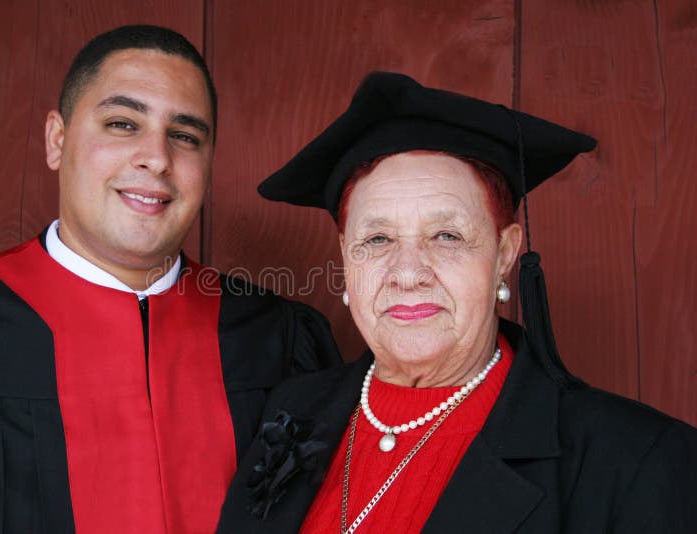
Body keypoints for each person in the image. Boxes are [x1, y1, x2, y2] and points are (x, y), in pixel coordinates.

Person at [0, 25, 339, 533]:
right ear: (57, 140)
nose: (157, 157)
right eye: (122, 124)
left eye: (185, 136)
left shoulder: (280, 340)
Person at [216, 72, 697, 533]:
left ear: (504, 254)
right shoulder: (290, 412)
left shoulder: (638, 460)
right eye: (378, 239)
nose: (408, 274)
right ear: (345, 257)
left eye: (446, 235)